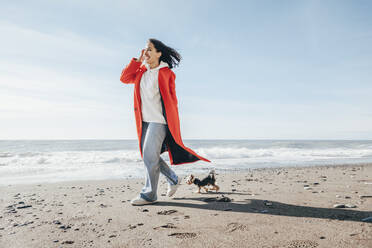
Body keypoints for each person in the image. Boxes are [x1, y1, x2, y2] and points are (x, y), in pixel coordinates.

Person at [120, 38, 211, 206]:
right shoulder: (141, 71)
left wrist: (173, 123)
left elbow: (172, 101)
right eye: (144, 49)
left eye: (149, 49)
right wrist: (137, 61)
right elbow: (125, 78)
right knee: (149, 156)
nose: (145, 52)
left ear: (159, 53)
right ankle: (173, 178)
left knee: (149, 156)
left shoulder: (166, 73)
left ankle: (149, 195)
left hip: (159, 121)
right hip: (144, 121)